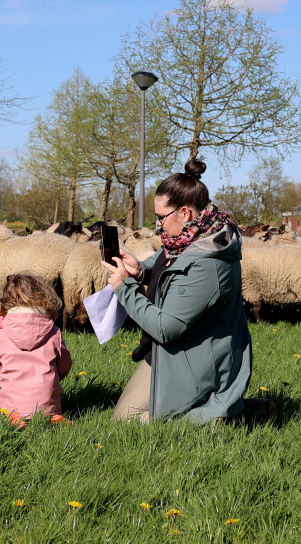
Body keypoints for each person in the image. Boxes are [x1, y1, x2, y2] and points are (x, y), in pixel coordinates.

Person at [102, 158, 267, 424]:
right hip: (173, 350)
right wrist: (140, 271)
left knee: (126, 422)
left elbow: (166, 328)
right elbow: (168, 268)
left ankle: (221, 415)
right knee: (123, 418)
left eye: (160, 218)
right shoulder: (187, 239)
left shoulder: (208, 262)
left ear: (185, 213)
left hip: (197, 357)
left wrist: (124, 287)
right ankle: (232, 410)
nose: (157, 226)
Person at [0, 273, 72, 427]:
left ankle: (13, 416)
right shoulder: (53, 332)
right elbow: (65, 365)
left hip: (10, 402)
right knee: (48, 410)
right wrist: (54, 377)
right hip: (47, 404)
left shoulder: (2, 333)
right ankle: (52, 416)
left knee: (9, 409)